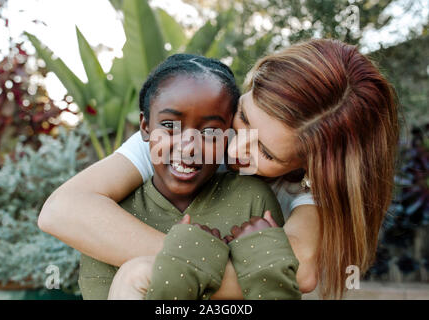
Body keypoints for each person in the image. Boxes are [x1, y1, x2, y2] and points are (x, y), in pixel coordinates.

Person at [39, 39, 399, 299]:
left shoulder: (309, 187)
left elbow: (300, 271)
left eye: (266, 152)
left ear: (307, 166)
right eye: (244, 117)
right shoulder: (183, 136)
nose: (237, 146)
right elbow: (63, 211)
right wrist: (187, 261)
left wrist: (174, 269)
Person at [78, 53, 302, 300]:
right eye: (170, 126)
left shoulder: (252, 200)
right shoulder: (112, 216)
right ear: (145, 126)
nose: (188, 147)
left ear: (229, 133)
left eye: (210, 131)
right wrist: (189, 257)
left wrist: (266, 261)